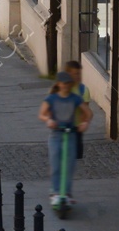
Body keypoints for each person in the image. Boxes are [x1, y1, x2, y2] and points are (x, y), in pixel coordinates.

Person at [39, 72, 91, 209]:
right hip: (56, 134)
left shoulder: (75, 99)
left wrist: (85, 123)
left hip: (71, 134)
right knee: (56, 164)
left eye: (68, 83)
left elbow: (88, 113)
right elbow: (42, 114)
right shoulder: (52, 98)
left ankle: (66, 193)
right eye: (63, 83)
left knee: (69, 166)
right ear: (58, 84)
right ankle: (56, 192)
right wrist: (48, 120)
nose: (66, 86)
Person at [64, 60, 92, 162]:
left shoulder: (83, 90)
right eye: (75, 73)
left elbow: (86, 111)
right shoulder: (61, 89)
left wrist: (84, 122)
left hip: (76, 128)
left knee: (76, 156)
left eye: (79, 73)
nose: (77, 76)